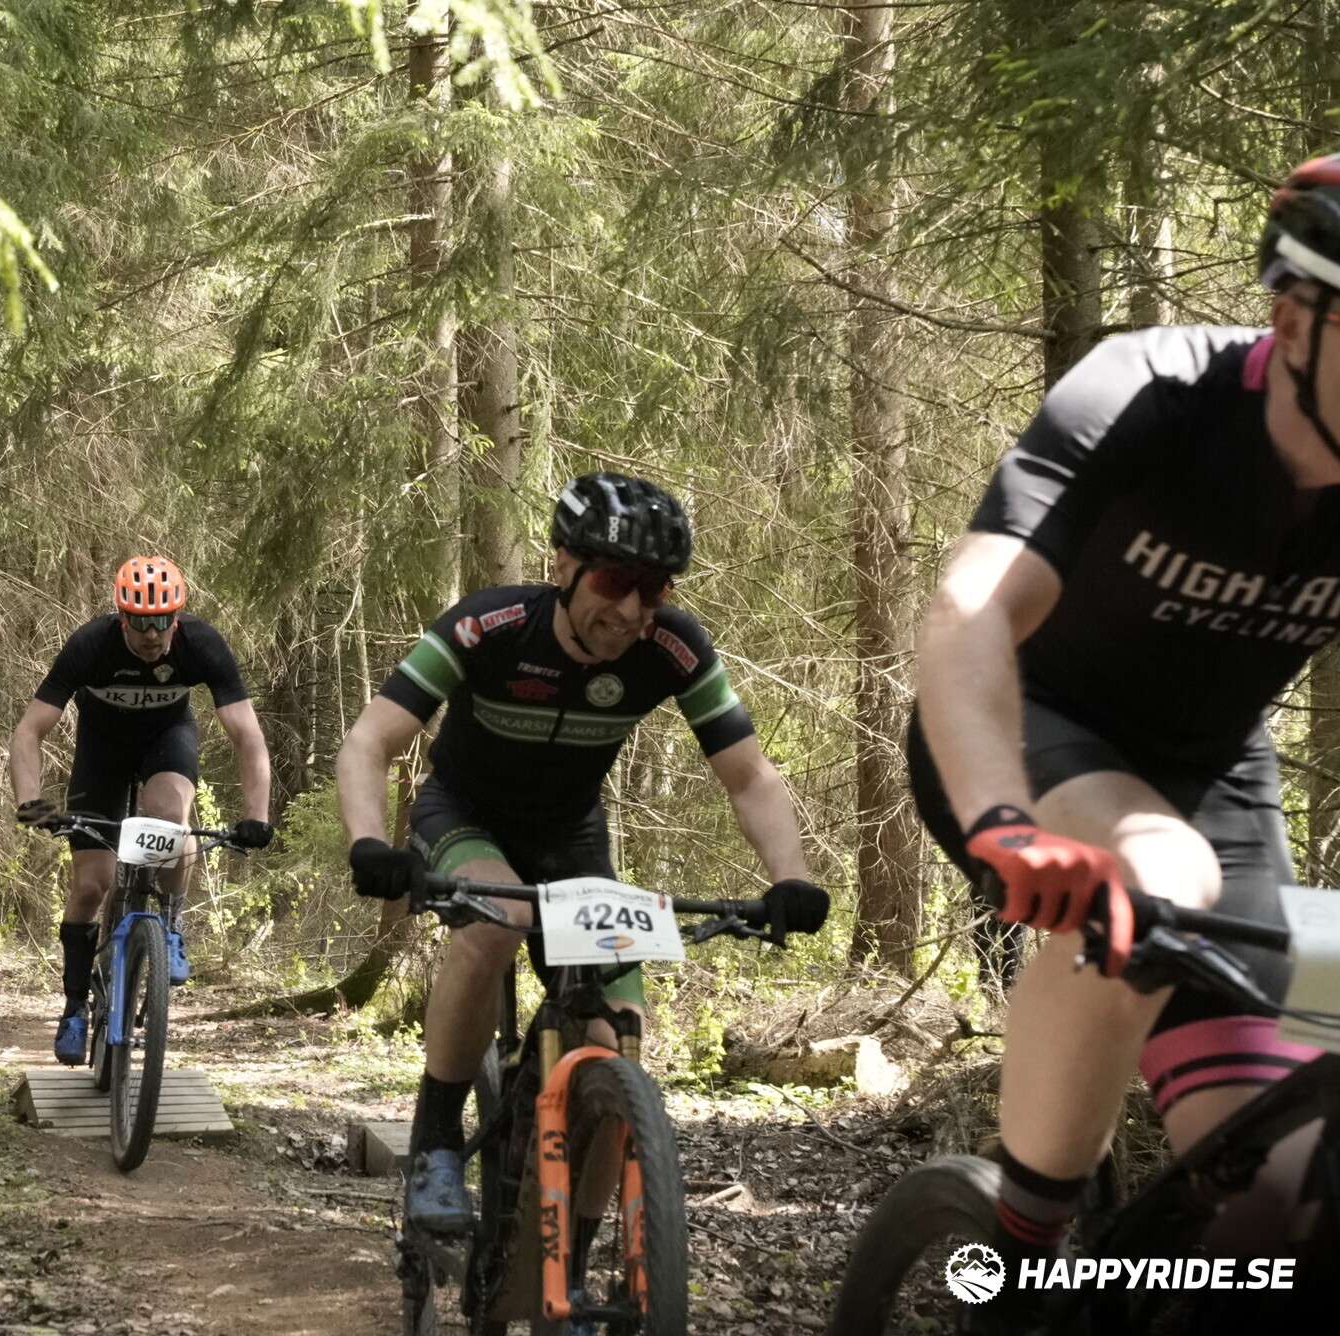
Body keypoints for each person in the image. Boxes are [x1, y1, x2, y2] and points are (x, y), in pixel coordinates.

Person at [908, 156, 1340, 1326]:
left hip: (1212, 773)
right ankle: (1018, 1264)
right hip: (1020, 733)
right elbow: (968, 612)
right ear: (1290, 321)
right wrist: (1002, 823)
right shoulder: (1147, 391)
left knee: (1277, 1199)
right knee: (1158, 873)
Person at [335, 472, 827, 1232]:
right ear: (563, 565)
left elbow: (750, 775)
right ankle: (436, 1143)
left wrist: (791, 877)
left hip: (570, 837)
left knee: (618, 1049)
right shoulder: (490, 625)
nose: (630, 610)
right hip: (464, 814)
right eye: (614, 581)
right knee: (496, 921)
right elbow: (371, 740)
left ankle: (577, 1260)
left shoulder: (673, 648)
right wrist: (370, 842)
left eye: (652, 590)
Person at [10, 556, 273, 1065]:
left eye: (162, 621)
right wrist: (29, 799)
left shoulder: (201, 643)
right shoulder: (91, 645)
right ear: (121, 617)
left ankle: (169, 927)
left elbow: (247, 735)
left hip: (166, 741)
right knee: (92, 885)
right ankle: (74, 1007)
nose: (152, 635)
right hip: (101, 751)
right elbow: (29, 730)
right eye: (140, 622)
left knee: (169, 818)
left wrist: (257, 815)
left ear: (177, 617)